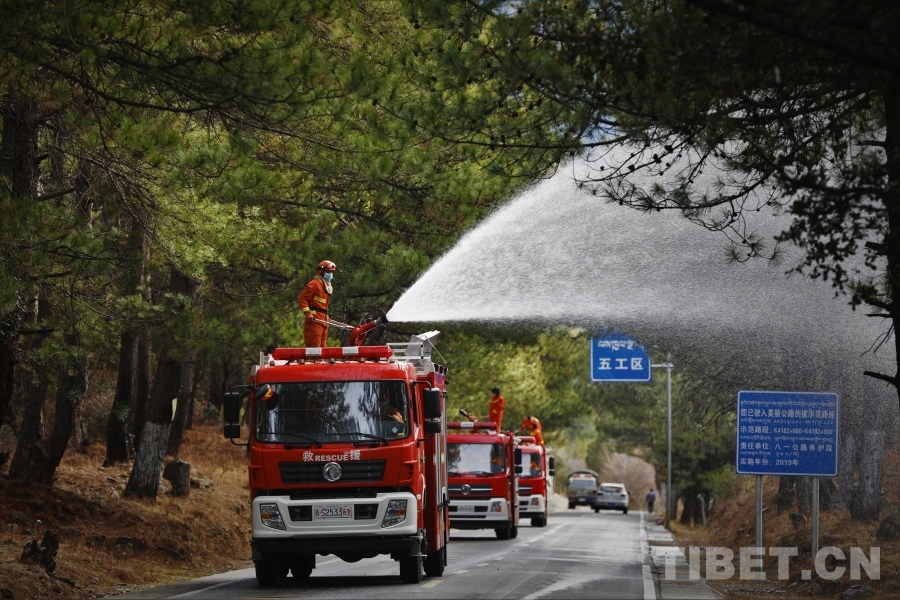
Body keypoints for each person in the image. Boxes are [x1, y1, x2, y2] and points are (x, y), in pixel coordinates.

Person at [297, 260, 335, 348]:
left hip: (323, 321)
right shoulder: (314, 284)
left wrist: (326, 317)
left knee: (322, 350)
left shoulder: (326, 286)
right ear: (321, 272)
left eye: (332, 272)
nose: (330, 274)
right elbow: (302, 298)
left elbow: (322, 306)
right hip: (314, 321)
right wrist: (308, 313)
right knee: (314, 348)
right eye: (328, 272)